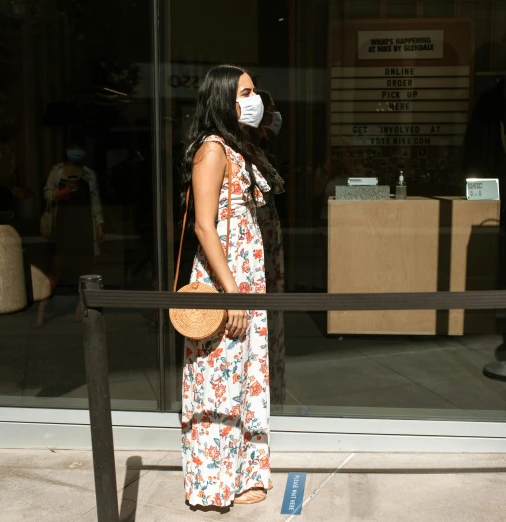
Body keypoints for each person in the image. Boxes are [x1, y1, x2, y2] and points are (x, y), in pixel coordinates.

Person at [180, 64, 276, 507]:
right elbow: (203, 226)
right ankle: (215, 481)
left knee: (246, 374)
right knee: (219, 377)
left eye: (253, 91)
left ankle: (245, 473)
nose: (253, 99)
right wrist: (232, 291)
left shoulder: (237, 147)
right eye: (245, 92)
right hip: (227, 281)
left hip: (245, 280)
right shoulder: (213, 150)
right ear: (222, 98)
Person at [36, 138, 104, 326]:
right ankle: (41, 312)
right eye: (73, 148)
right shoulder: (57, 171)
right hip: (64, 225)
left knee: (85, 270)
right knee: (56, 269)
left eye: (79, 148)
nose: (76, 152)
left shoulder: (89, 174)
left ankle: (79, 308)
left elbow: (96, 200)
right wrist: (60, 192)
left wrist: (99, 225)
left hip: (84, 225)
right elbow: (47, 193)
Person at [251, 90, 286, 411]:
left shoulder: (260, 149)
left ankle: (270, 396)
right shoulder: (240, 151)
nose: (275, 116)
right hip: (251, 240)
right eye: (270, 110)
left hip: (266, 234)